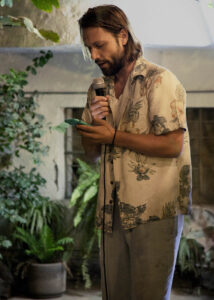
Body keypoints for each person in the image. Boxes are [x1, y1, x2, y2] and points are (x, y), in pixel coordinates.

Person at [77, 5, 192, 300]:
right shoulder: (97, 89)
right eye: (89, 47)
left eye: (99, 45)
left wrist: (114, 135)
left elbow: (172, 145)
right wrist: (97, 124)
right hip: (111, 212)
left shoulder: (160, 80)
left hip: (155, 212)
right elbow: (91, 155)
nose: (94, 55)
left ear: (123, 36)